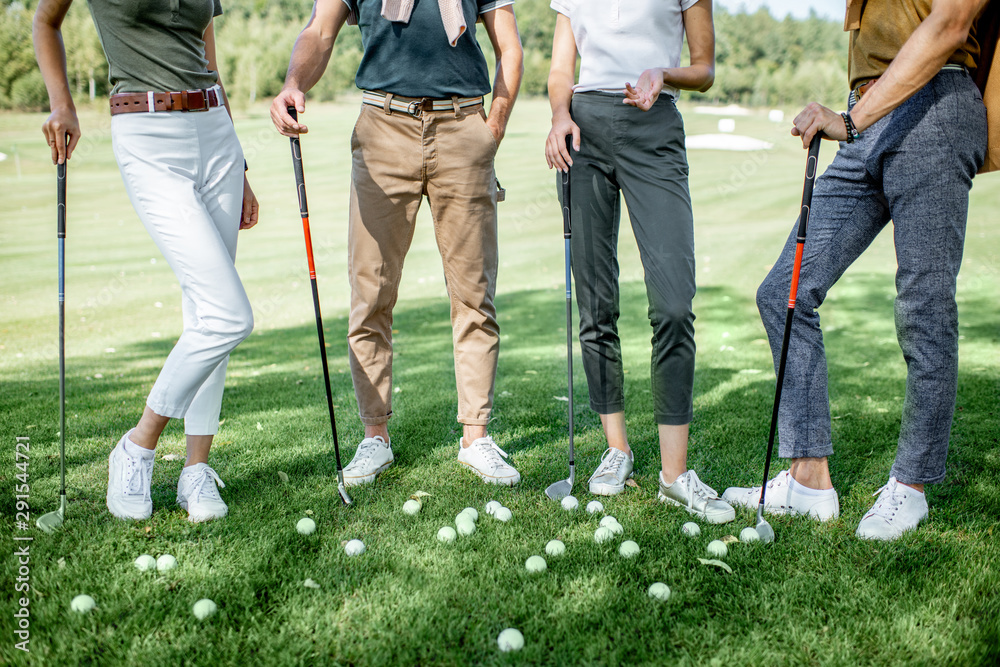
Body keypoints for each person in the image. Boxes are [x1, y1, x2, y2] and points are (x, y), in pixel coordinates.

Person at [723, 0, 993, 540]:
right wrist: (856, 116)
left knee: (924, 307)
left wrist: (849, 120)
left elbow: (951, 23)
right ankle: (809, 478)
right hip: (870, 112)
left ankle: (910, 486)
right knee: (784, 292)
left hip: (934, 106)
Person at [270, 0, 523, 486]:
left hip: (463, 127)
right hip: (383, 128)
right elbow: (320, 31)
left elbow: (508, 46)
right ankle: (374, 438)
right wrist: (293, 84)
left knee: (474, 293)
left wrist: (494, 127)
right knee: (371, 293)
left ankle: (476, 438)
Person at [34, 0, 259, 522]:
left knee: (207, 315)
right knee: (228, 315)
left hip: (216, 133)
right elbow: (45, 20)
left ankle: (195, 471)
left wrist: (240, 162)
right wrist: (61, 104)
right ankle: (137, 446)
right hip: (148, 134)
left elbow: (209, 57)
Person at [544, 0, 734, 523]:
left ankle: (674, 476)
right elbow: (561, 70)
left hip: (654, 127)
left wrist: (662, 73)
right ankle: (617, 449)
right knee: (595, 302)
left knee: (674, 303)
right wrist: (560, 114)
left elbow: (706, 69)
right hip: (584, 132)